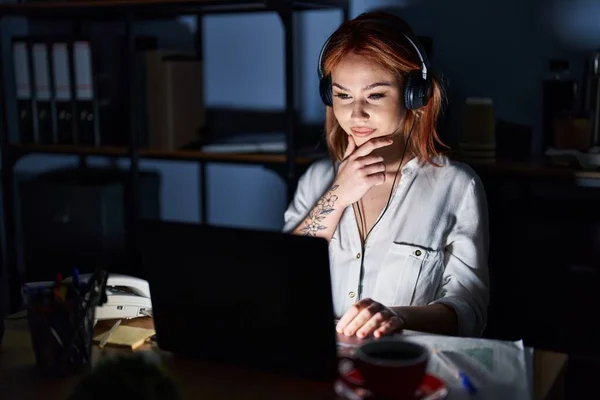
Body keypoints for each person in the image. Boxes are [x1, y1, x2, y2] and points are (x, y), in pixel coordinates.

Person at [283, 11, 489, 339]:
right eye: (343, 95)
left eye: (375, 95)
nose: (355, 113)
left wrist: (396, 317)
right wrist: (337, 195)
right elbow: (282, 278)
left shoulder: (457, 185)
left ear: (414, 95)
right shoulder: (317, 179)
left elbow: (470, 311)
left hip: (404, 365)